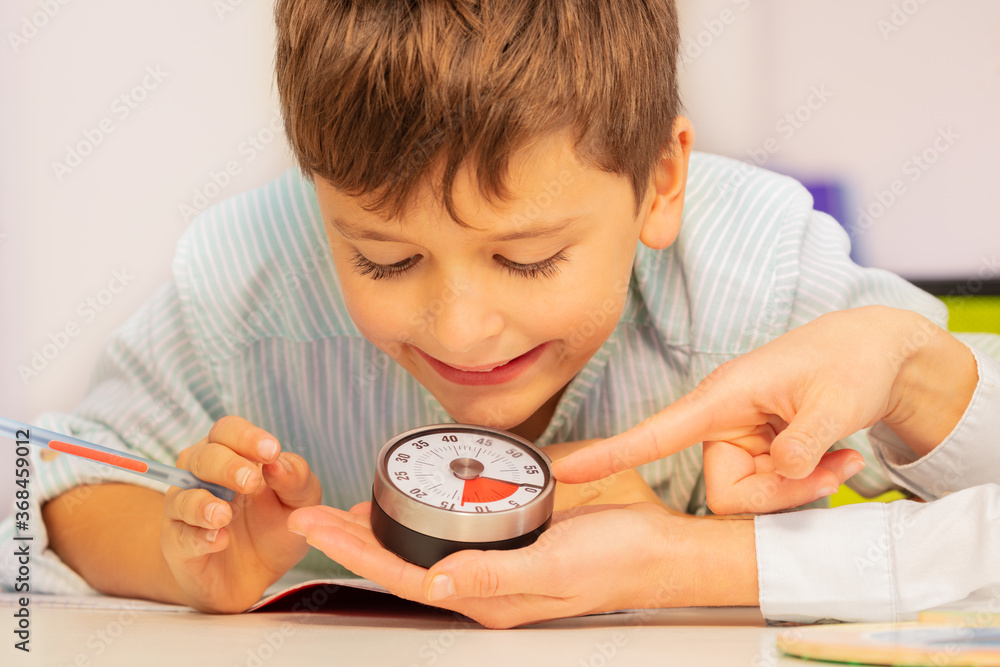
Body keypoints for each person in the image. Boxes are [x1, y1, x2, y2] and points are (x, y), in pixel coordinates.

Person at [3, 0, 998, 626]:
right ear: (319, 202)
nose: (459, 328)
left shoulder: (760, 271)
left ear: (659, 182)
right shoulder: (247, 274)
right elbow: (35, 485)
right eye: (382, 257)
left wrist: (913, 368)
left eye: (527, 259)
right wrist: (180, 558)